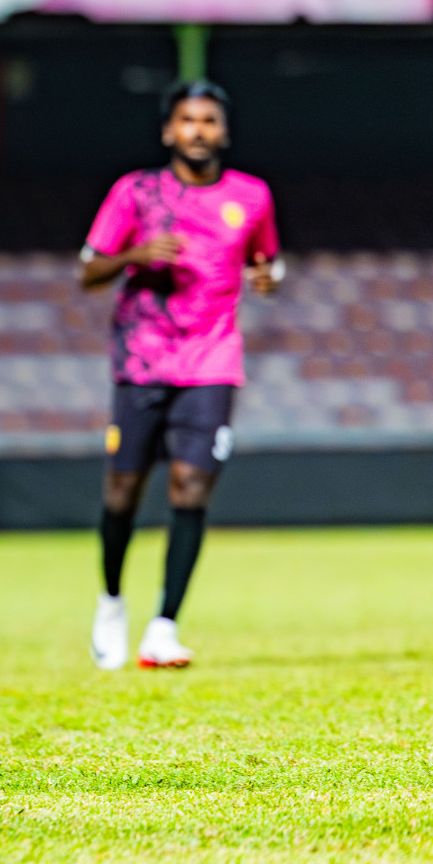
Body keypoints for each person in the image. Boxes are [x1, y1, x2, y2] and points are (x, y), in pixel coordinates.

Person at [80, 80, 282, 670]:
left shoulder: (252, 195)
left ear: (224, 131)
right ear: (169, 130)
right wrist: (134, 257)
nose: (198, 130)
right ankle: (112, 602)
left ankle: (163, 627)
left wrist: (270, 278)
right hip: (142, 362)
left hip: (213, 362)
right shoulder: (135, 192)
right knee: (122, 495)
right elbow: (88, 271)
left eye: (209, 121)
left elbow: (268, 261)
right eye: (188, 120)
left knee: (191, 489)